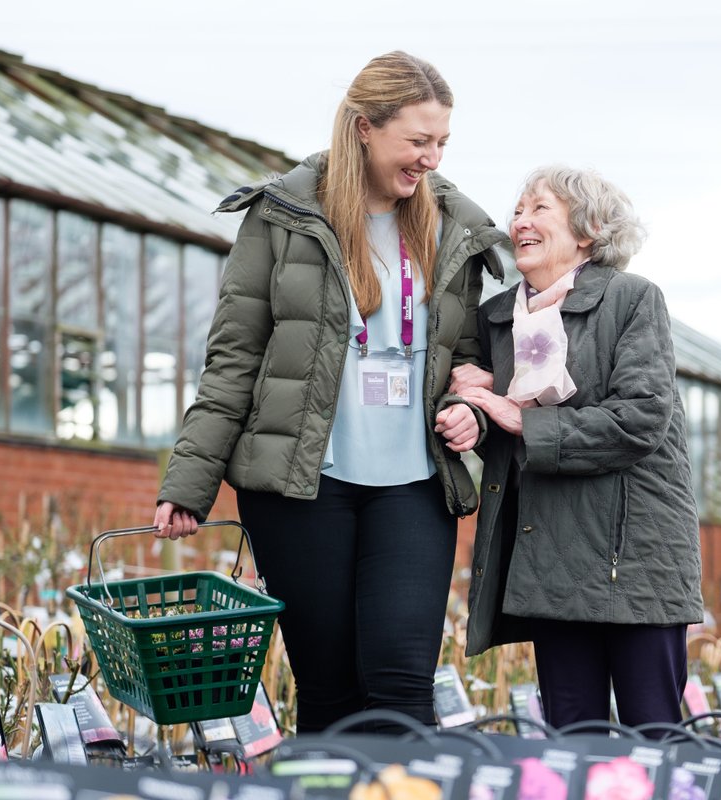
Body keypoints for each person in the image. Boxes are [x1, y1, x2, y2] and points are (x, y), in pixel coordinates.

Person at [152, 51, 508, 733]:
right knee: (329, 690)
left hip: (414, 485)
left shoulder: (456, 227)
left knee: (403, 687)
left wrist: (470, 412)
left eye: (442, 143)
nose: (431, 159)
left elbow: (469, 360)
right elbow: (234, 357)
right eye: (417, 141)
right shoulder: (282, 216)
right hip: (299, 485)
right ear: (365, 127)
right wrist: (189, 480)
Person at [452, 166, 704, 729]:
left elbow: (639, 419)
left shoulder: (632, 301)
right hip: (552, 562)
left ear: (587, 231)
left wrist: (513, 417)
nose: (521, 221)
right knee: (572, 743)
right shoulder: (497, 320)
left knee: (652, 737)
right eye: (518, 209)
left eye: (540, 208)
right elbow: (487, 407)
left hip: (634, 561)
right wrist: (469, 407)